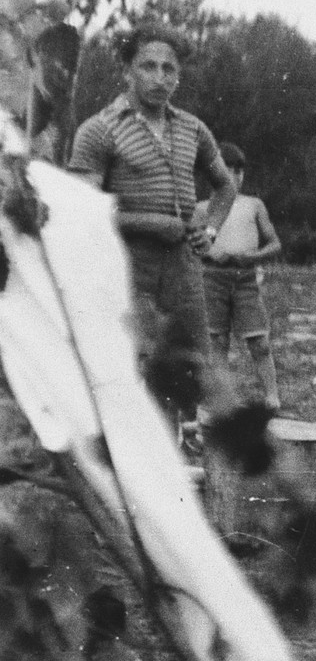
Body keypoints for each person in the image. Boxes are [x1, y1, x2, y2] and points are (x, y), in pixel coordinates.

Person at [68, 23, 236, 409]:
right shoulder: (100, 129)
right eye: (148, 66)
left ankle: (172, 461)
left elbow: (225, 187)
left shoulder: (192, 128)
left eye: (169, 69)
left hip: (183, 272)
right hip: (126, 268)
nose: (160, 78)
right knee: (122, 376)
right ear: (127, 70)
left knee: (186, 377)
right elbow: (79, 212)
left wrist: (209, 229)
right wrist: (150, 222)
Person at [196, 142, 283, 409]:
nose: (234, 177)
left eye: (238, 171)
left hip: (245, 279)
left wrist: (252, 257)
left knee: (259, 341)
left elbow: (274, 244)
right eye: (226, 171)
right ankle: (221, 399)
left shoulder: (253, 205)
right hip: (212, 279)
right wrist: (211, 254)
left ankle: (272, 397)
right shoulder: (201, 208)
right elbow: (193, 246)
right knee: (217, 341)